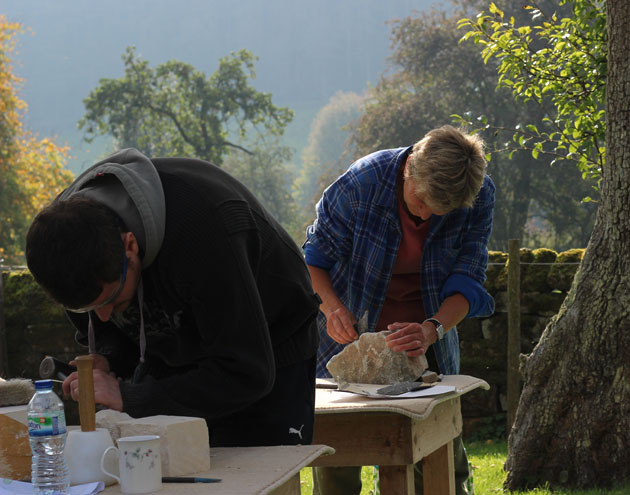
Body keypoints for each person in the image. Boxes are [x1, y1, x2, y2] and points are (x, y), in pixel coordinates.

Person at [25, 148, 321, 448]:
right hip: (177, 348)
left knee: (258, 476)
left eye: (110, 300)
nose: (102, 316)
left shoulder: (205, 232)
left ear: (129, 246)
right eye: (87, 308)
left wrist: (129, 397)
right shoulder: (62, 247)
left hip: (269, 343)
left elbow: (247, 372)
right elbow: (116, 335)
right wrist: (109, 359)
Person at [303, 125, 495, 495]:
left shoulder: (478, 193)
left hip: (426, 340)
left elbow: (469, 278)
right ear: (409, 168)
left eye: (440, 211)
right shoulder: (361, 184)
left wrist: (432, 329)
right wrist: (332, 310)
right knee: (337, 463)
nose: (426, 216)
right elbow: (311, 261)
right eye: (420, 203)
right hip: (350, 337)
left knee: (440, 455)